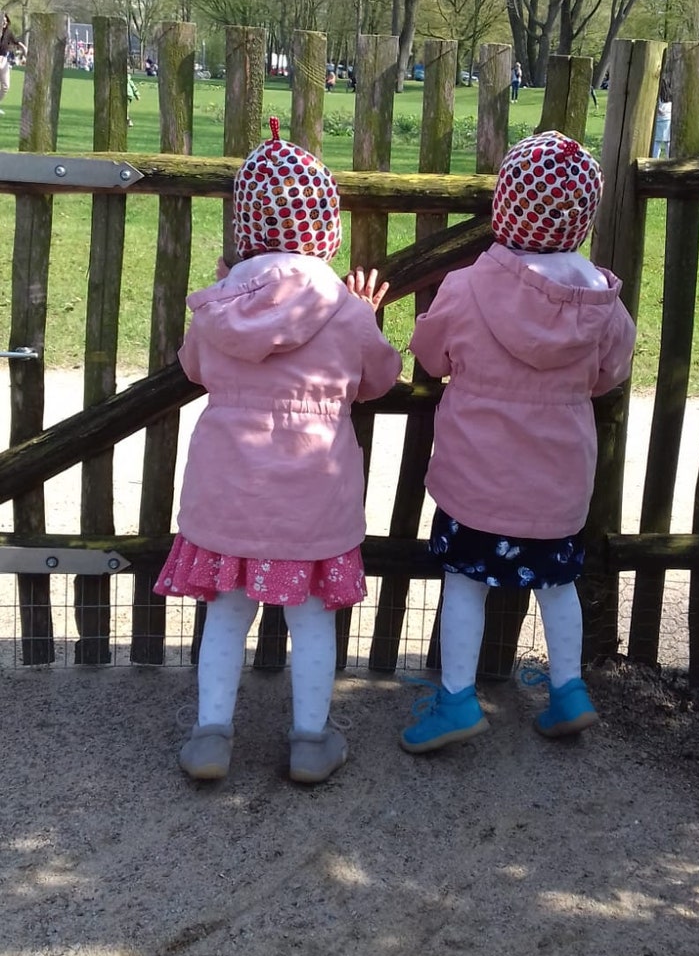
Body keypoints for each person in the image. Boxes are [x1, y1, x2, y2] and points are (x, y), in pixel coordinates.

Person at [155, 118, 402, 785]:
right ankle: (309, 741)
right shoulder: (344, 311)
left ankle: (211, 736)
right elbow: (378, 380)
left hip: (228, 497)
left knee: (226, 617)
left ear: (248, 225)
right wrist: (367, 318)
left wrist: (226, 295)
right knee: (312, 622)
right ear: (324, 220)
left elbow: (195, 367)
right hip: (310, 508)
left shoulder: (217, 306)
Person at [400, 130, 636, 754]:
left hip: (475, 481)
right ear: (582, 217)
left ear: (507, 204)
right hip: (557, 483)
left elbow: (430, 356)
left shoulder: (467, 286)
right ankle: (569, 691)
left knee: (466, 585)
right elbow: (611, 372)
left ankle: (455, 699)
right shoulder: (602, 302)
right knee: (557, 584)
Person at [0, 12, 26, 115]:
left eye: (6, 21)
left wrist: (23, 47)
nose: (5, 23)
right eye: (3, 21)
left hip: (3, 61)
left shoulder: (8, 32)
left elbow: (15, 41)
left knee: (6, 86)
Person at [652, 77, 673, 158]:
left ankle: (654, 159)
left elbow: (659, 110)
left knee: (656, 143)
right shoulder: (670, 95)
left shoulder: (657, 97)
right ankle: (670, 158)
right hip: (668, 120)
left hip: (659, 121)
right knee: (668, 143)